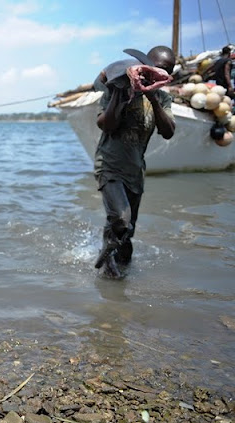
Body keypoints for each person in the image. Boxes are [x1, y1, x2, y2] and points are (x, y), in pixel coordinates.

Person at [93, 46, 176, 278]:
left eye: (167, 71)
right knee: (121, 218)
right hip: (109, 165)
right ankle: (106, 262)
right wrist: (120, 95)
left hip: (135, 172)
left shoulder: (163, 98)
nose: (159, 72)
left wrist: (152, 97)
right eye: (156, 67)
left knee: (127, 237)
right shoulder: (120, 86)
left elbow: (168, 131)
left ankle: (117, 281)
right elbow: (105, 125)